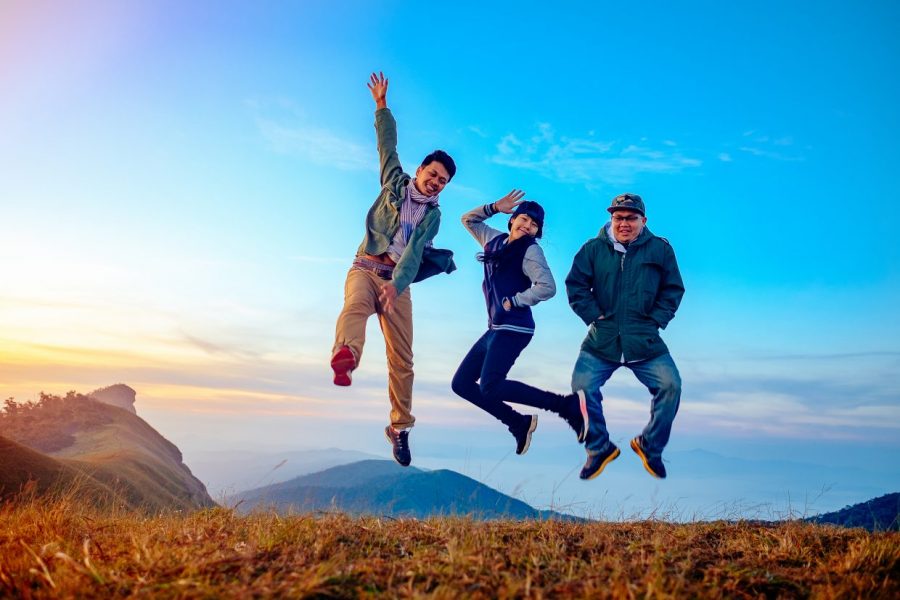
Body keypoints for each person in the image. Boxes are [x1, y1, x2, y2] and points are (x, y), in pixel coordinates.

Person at [331, 72, 456, 467]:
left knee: (403, 360)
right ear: (420, 171)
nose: (436, 183)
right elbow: (387, 145)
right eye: (433, 174)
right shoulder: (394, 184)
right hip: (365, 268)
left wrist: (397, 286)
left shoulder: (434, 218)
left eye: (443, 181)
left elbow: (415, 256)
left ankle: (399, 428)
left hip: (396, 284)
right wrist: (381, 106)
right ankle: (346, 357)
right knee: (354, 308)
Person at [451, 190, 589, 454]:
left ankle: (566, 406)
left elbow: (547, 287)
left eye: (534, 224)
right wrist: (493, 206)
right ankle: (518, 422)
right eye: (523, 219)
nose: (527, 226)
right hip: (495, 328)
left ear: (537, 232)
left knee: (491, 386)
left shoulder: (531, 251)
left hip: (515, 328)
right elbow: (468, 220)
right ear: (512, 220)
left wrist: (515, 300)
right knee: (461, 384)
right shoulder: (493, 241)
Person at [566, 193, 684, 480]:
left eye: (631, 218)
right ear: (611, 219)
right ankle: (599, 448)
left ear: (643, 221)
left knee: (671, 385)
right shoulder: (592, 249)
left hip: (644, 339)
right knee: (581, 387)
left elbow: (673, 289)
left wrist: (656, 320)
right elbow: (576, 285)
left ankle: (650, 445)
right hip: (601, 340)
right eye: (618, 218)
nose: (624, 223)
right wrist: (593, 315)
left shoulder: (660, 250)